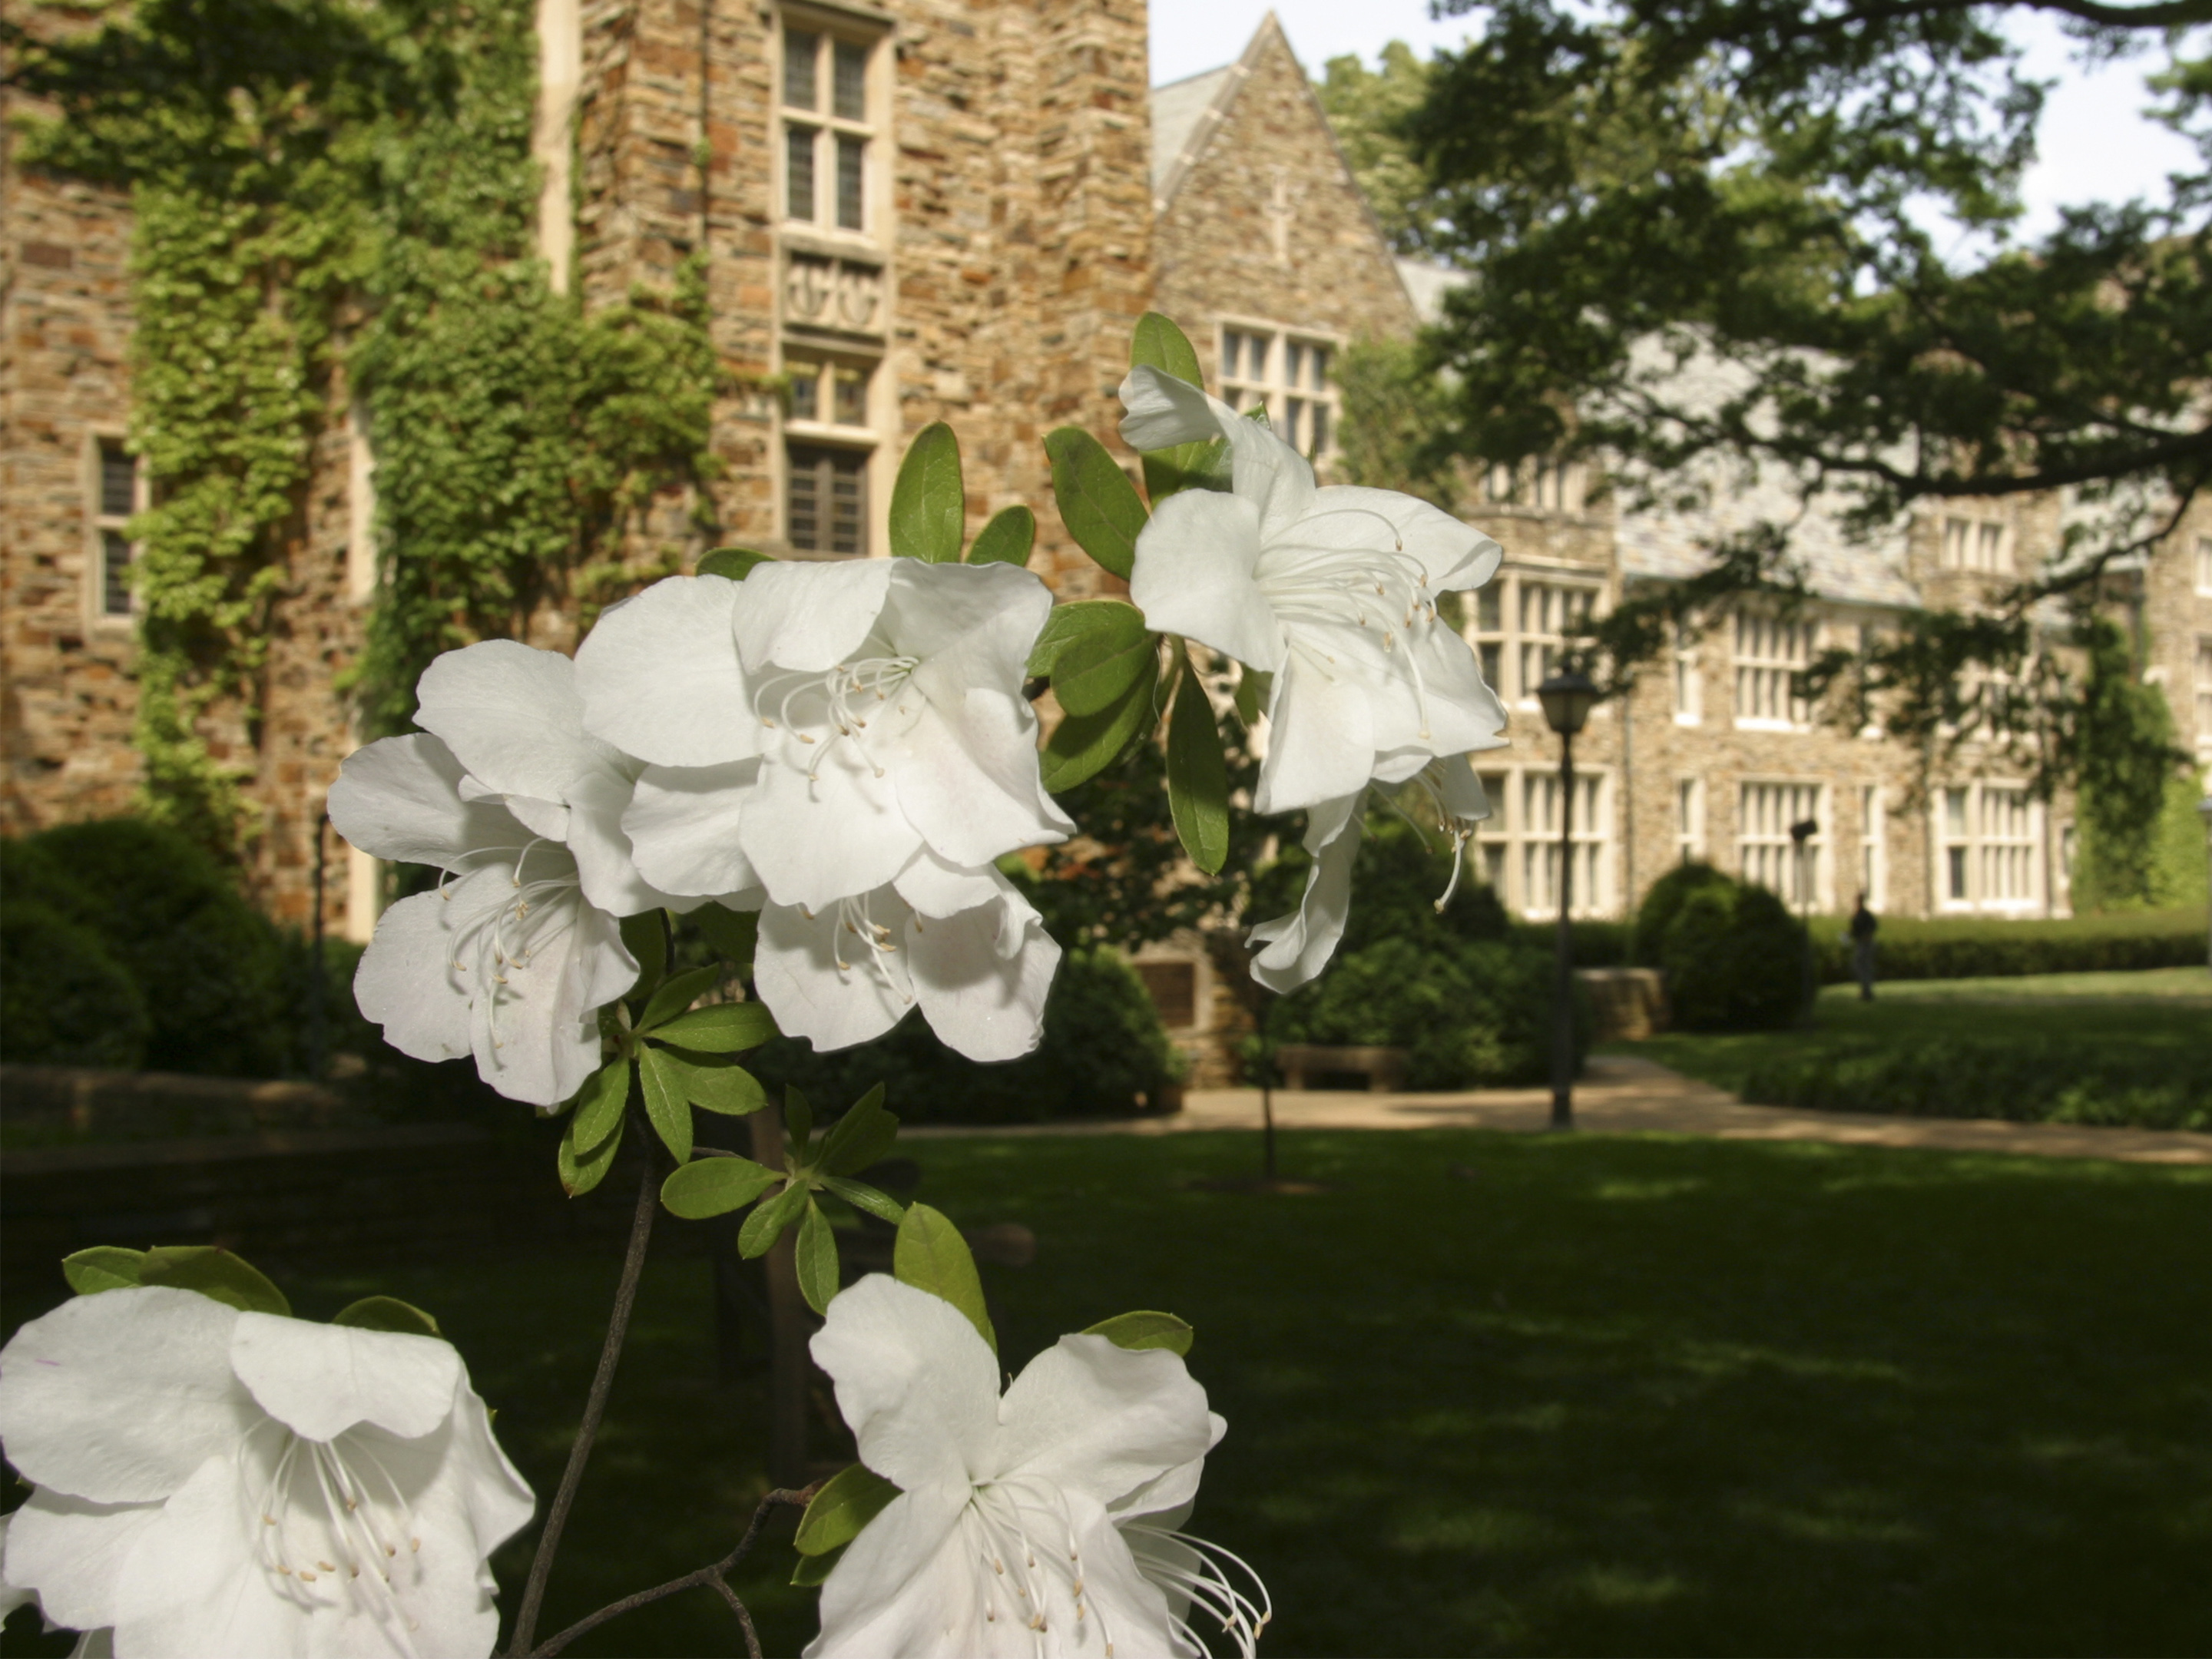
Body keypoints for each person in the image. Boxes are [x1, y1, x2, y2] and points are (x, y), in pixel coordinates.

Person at [1849, 892, 1879, 1002]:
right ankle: (1865, 990)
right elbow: (1854, 930)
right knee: (1859, 966)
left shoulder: (1865, 914)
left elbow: (1873, 926)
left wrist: (1867, 935)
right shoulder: (1858, 914)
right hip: (1860, 943)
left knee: (1864, 966)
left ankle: (1867, 991)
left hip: (1865, 944)